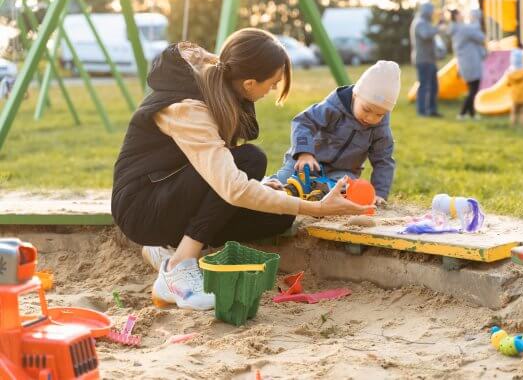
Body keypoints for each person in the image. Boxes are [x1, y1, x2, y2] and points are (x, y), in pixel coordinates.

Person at [111, 29, 373, 311]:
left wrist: (267, 193)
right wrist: (318, 209)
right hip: (141, 206)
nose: (271, 91)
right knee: (249, 160)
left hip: (171, 192)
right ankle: (179, 266)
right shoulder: (188, 108)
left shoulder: (221, 80)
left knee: (278, 218)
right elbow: (231, 186)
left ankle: (166, 245)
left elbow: (217, 175)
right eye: (272, 84)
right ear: (249, 83)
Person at [270, 61, 400, 206]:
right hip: (308, 161)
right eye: (366, 109)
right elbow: (303, 122)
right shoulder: (333, 108)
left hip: (342, 171)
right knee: (285, 178)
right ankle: (272, 189)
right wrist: (304, 153)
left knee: (347, 188)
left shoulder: (380, 129)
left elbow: (383, 160)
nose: (371, 118)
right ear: (355, 95)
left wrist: (379, 193)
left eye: (379, 114)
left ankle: (319, 195)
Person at [451, 9, 486, 120]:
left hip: (466, 62)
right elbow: (480, 37)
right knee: (473, 89)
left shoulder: (460, 28)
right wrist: (476, 20)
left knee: (473, 88)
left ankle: (471, 114)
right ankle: (462, 113)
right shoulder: (464, 29)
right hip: (470, 62)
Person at [410, 2, 442, 117]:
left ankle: (432, 110)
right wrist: (437, 27)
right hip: (423, 59)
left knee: (434, 86)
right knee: (424, 86)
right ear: (426, 11)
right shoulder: (420, 23)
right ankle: (422, 111)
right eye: (431, 11)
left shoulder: (426, 22)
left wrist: (437, 25)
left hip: (430, 59)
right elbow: (426, 35)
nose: (432, 14)